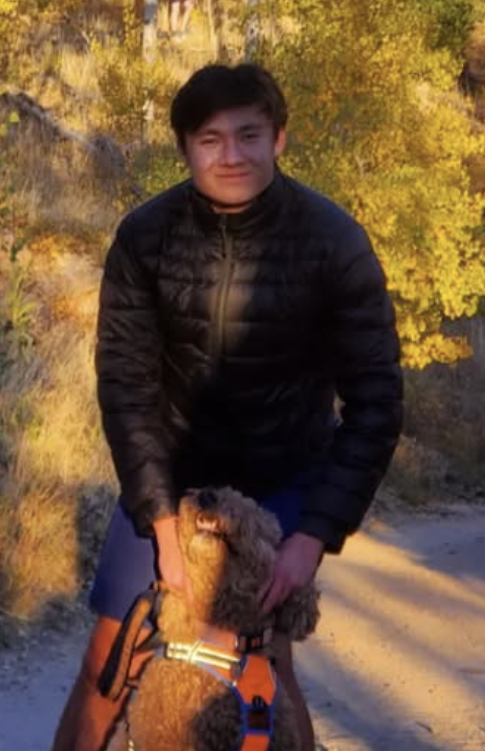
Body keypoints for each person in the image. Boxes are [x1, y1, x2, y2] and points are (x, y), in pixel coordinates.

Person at [50, 63, 405, 751]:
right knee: (111, 659)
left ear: (279, 137)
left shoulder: (335, 243)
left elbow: (377, 403)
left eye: (249, 135)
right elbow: (126, 389)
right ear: (184, 148)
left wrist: (311, 538)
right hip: (173, 478)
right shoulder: (143, 238)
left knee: (265, 658)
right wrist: (158, 519)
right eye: (211, 139)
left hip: (286, 477)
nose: (232, 155)